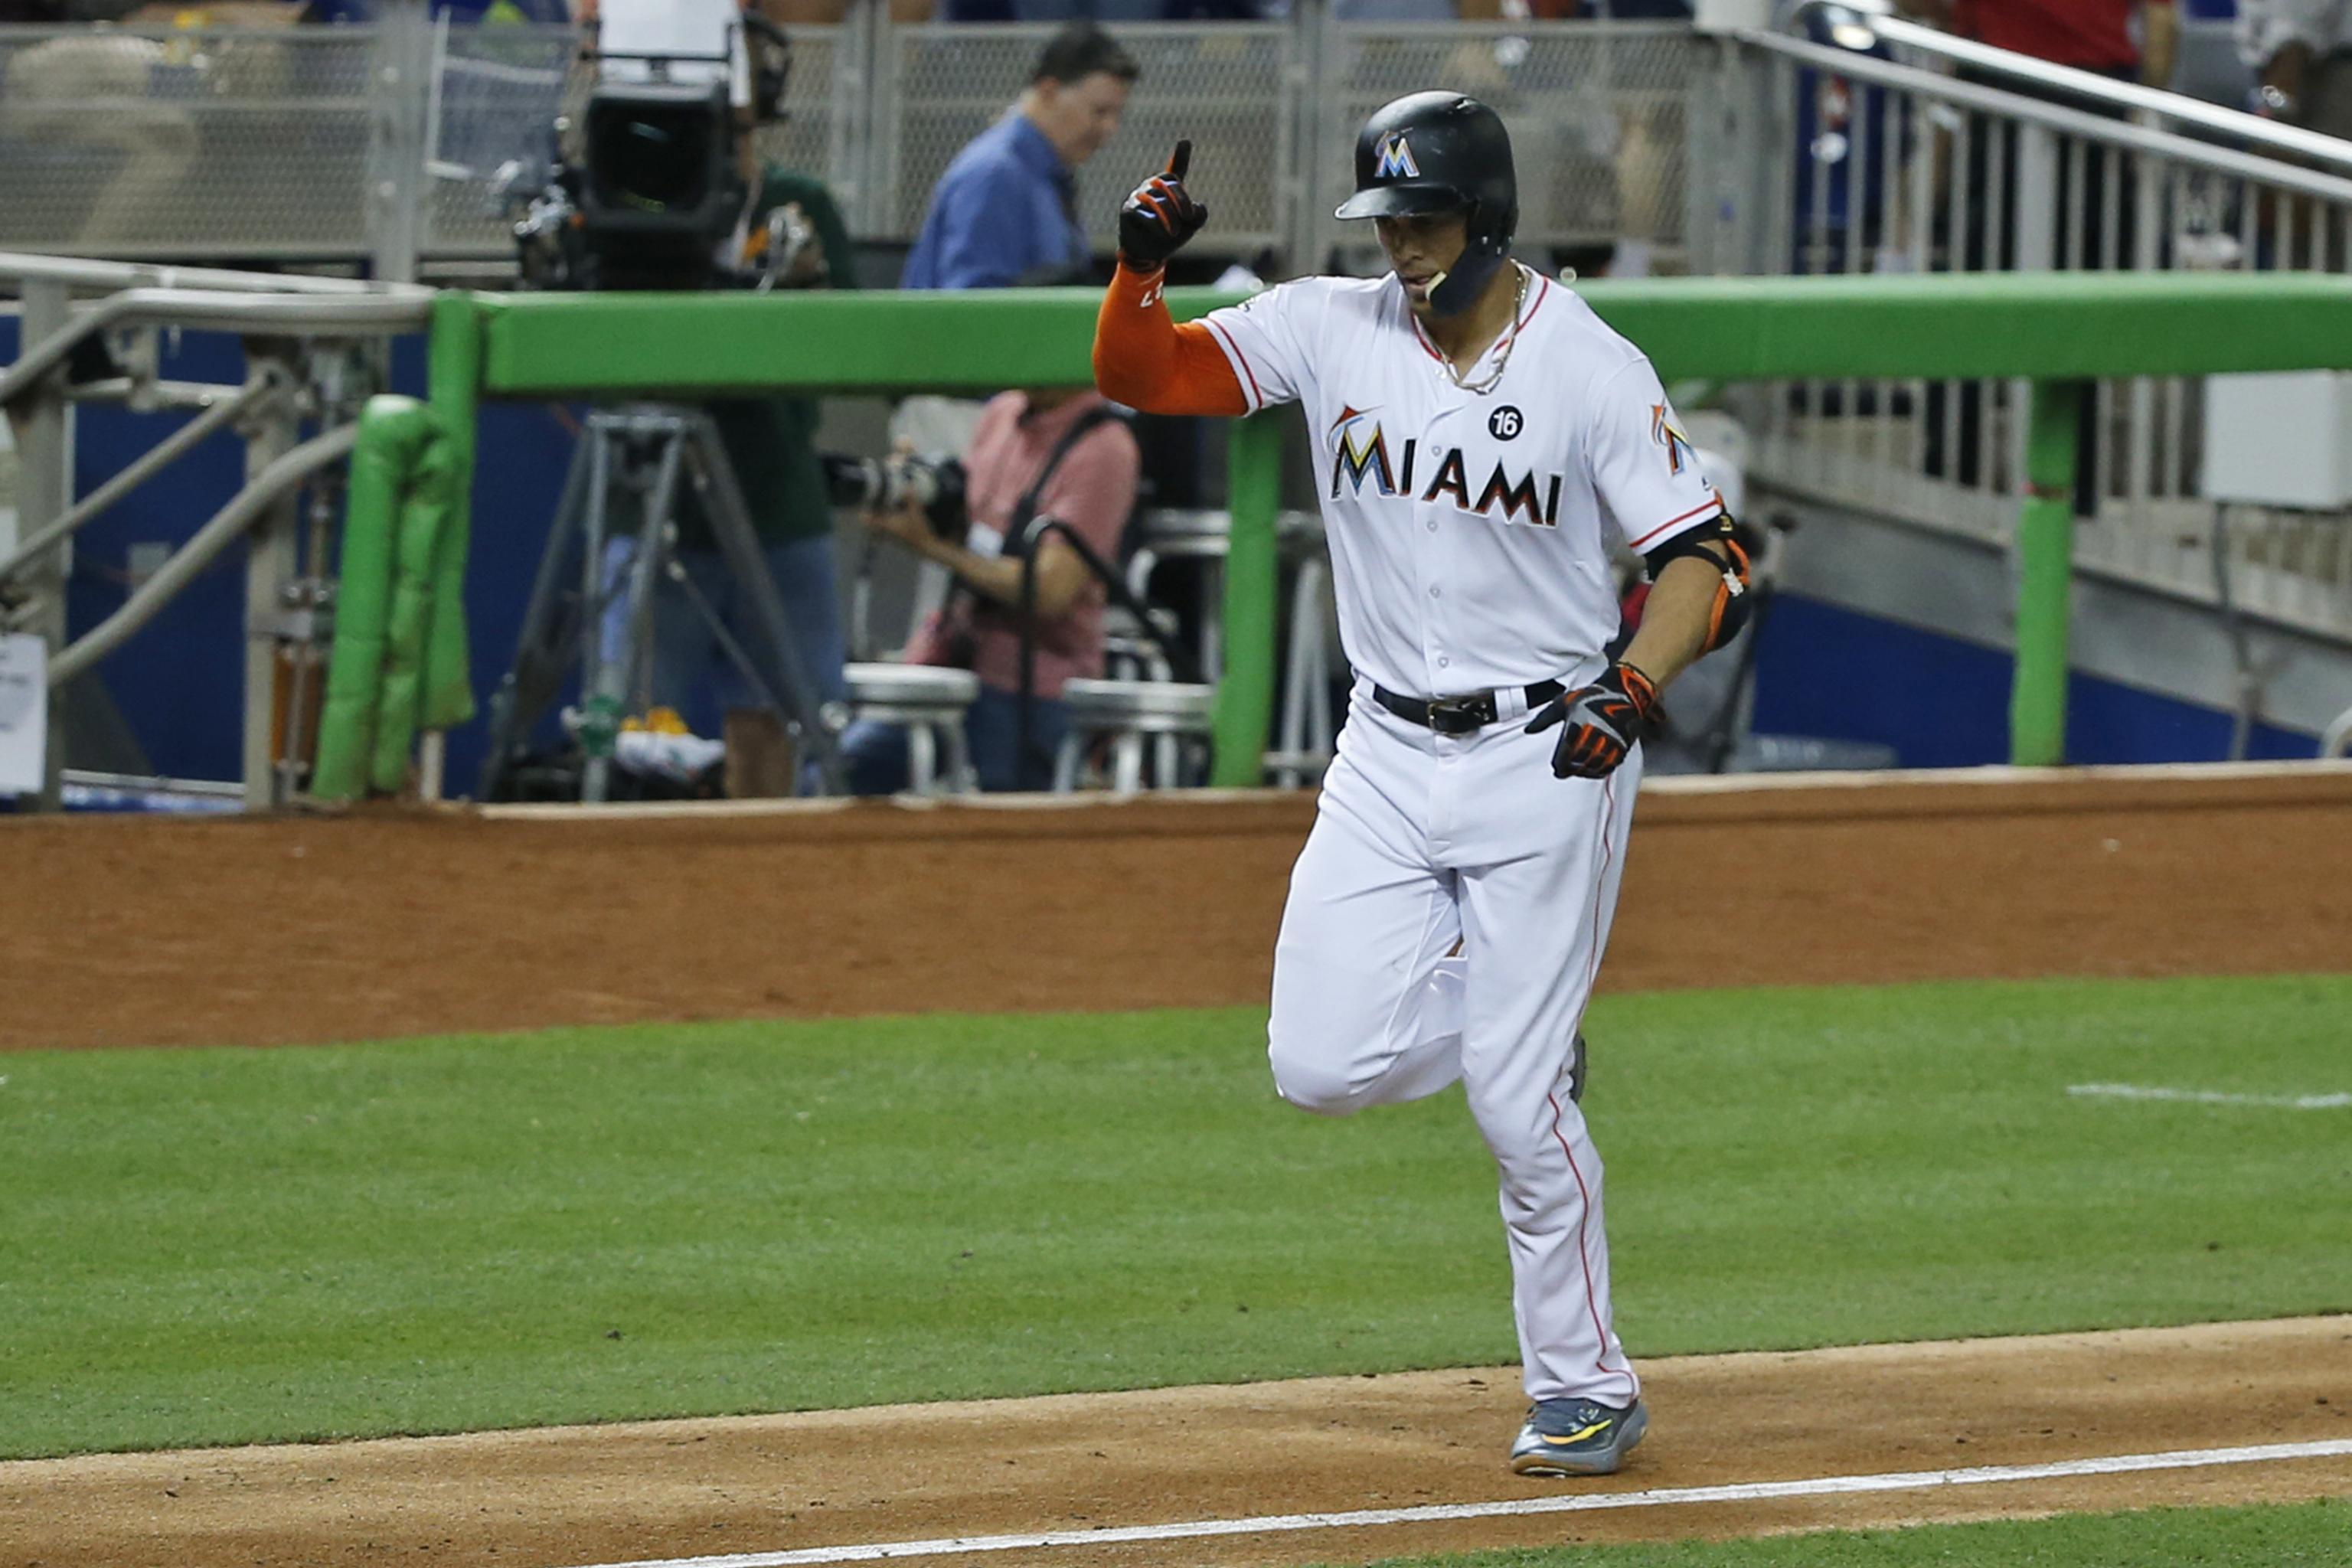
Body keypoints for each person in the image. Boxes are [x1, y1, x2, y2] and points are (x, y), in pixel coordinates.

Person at [1094, 98, 1751, 1476]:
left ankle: (1584, 1384)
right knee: (1317, 1065)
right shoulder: (1330, 324)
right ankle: (1526, 1025)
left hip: (1547, 749)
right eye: (1386, 222)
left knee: (1516, 1109)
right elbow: (1144, 379)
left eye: (1424, 222)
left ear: (1487, 218)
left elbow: (1703, 559)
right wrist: (1137, 271)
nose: (1399, 247)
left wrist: (1631, 690)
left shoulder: (1584, 362)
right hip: (1381, 752)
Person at [841, 387, 1141, 793]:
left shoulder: (1105, 447)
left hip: (1036, 683)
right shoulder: (1002, 413)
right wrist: (914, 501)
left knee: (1012, 828)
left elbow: (1051, 590)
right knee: (843, 769)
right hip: (948, 658)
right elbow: (968, 523)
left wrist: (931, 548)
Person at [900, 21, 1139, 289]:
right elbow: (971, 308)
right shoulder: (995, 175)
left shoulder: (1046, 178)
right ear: (1049, 92)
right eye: (1099, 112)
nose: (1109, 129)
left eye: (1117, 116)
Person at [2243, 0, 2352, 141]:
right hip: (2276, 64)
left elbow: (2296, 34)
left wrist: (2277, 104)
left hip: (2327, 69)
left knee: (2326, 149)